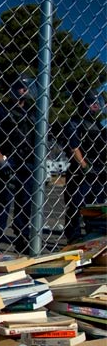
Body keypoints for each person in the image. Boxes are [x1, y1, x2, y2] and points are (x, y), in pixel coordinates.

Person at [0, 74, 38, 255]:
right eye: (20, 86)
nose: (24, 90)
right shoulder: (0, 111)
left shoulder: (32, 113)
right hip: (8, 161)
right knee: (4, 202)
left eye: (26, 87)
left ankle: (22, 239)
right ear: (12, 89)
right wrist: (2, 163)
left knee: (26, 203)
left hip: (27, 162)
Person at [63, 90, 106, 243]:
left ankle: (92, 236)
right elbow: (73, 146)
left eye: (97, 103)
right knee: (76, 206)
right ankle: (73, 237)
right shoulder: (75, 123)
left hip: (99, 171)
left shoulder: (98, 125)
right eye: (92, 103)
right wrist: (83, 165)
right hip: (82, 171)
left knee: (95, 208)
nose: (96, 106)